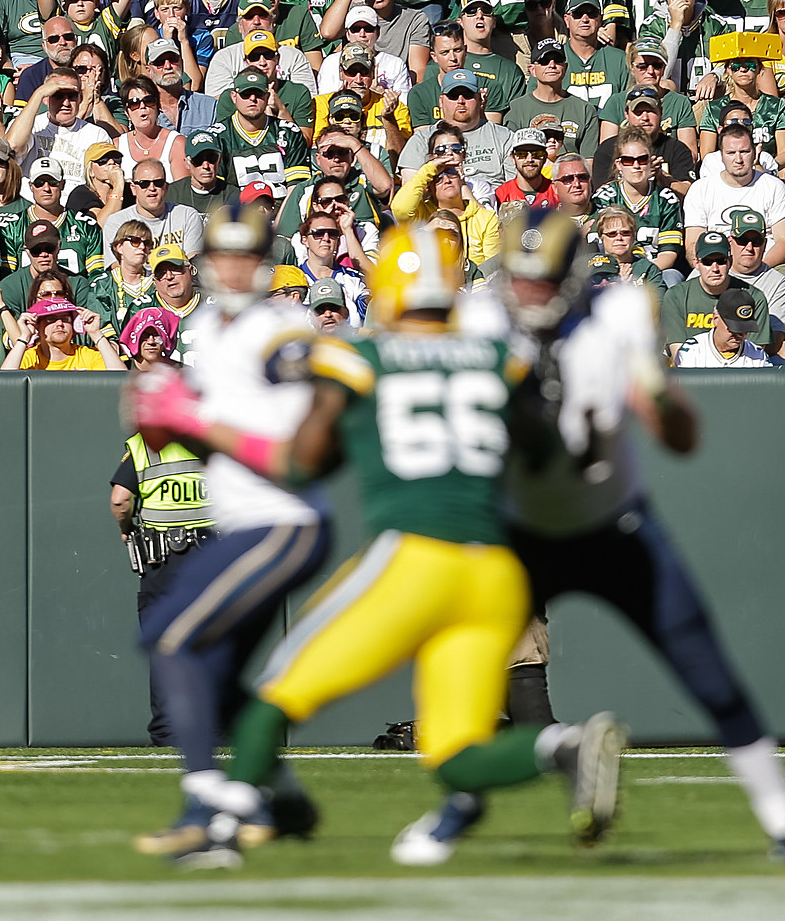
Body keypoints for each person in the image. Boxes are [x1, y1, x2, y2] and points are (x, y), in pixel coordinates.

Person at [134, 222, 627, 867]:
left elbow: (302, 464)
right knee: (456, 754)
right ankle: (563, 747)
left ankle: (218, 832)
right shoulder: (498, 359)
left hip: (417, 557)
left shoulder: (361, 356)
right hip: (498, 573)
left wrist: (196, 420)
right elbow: (548, 454)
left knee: (274, 698)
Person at [494, 207, 785, 863]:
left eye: (542, 278)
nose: (529, 292)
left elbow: (681, 439)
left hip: (614, 523)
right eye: (521, 277)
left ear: (572, 277)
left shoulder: (617, 319)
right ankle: (457, 814)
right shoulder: (486, 328)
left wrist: (659, 398)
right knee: (462, 680)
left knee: (707, 671)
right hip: (527, 532)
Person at [124, 201, 331, 857]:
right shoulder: (207, 330)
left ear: (266, 261)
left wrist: (191, 418)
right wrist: (165, 424)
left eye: (246, 255)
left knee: (172, 638)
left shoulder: (285, 329)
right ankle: (288, 800)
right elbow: (218, 441)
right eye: (223, 255)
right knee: (214, 672)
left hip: (284, 520)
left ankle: (204, 804)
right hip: (238, 520)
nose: (234, 269)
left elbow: (294, 457)